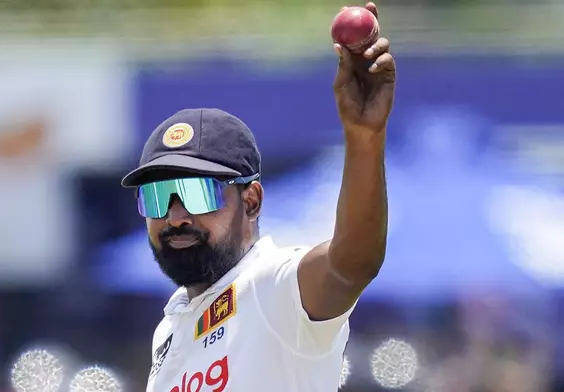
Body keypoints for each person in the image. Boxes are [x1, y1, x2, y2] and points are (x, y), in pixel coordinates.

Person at [121, 3, 395, 390]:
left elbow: (352, 262)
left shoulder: (273, 287)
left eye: (197, 193)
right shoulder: (169, 328)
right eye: (158, 196)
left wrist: (365, 137)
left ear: (251, 201)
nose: (175, 216)